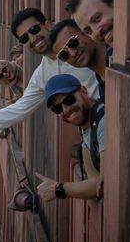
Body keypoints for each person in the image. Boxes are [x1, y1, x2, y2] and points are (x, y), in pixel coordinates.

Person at [0, 8, 100, 131]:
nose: (33, 38)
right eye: (25, 38)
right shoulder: (43, 74)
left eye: (34, 29)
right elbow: (20, 109)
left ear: (48, 25)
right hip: (96, 125)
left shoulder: (78, 46)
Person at [34, 74, 104, 202]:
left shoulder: (103, 121)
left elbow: (103, 186)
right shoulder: (85, 126)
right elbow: (94, 178)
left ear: (84, 91)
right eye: (57, 108)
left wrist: (58, 189)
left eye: (69, 100)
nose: (66, 110)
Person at [47, 19, 107, 104]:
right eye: (64, 54)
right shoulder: (102, 88)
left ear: (86, 32)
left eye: (72, 43)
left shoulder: (117, 57)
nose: (72, 53)